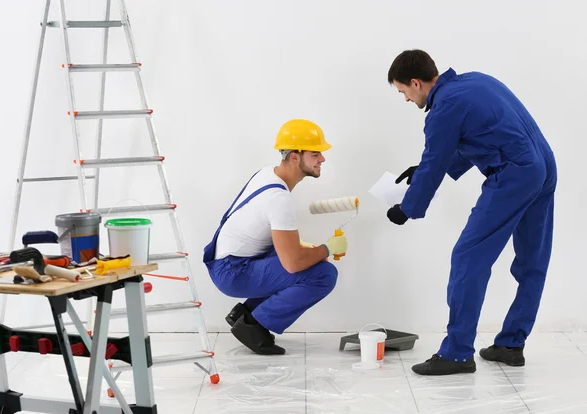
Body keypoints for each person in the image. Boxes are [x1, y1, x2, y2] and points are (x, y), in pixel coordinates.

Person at [386, 49, 557, 375]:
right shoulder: (475, 82)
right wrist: (420, 169)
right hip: (545, 165)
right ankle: (511, 344)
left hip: (516, 173)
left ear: (416, 82)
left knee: (468, 257)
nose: (406, 99)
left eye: (403, 92)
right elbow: (480, 135)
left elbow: (436, 161)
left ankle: (457, 352)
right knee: (533, 262)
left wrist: (407, 208)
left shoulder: (443, 108)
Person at [202, 119, 347, 355]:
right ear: (294, 157)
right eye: (315, 153)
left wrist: (311, 251)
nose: (322, 158)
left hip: (227, 260)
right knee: (323, 274)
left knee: (309, 258)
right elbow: (292, 263)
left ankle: (244, 314)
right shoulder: (280, 199)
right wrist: (328, 248)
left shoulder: (266, 174)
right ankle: (254, 325)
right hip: (232, 271)